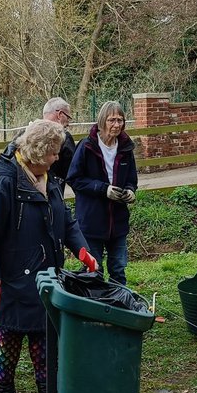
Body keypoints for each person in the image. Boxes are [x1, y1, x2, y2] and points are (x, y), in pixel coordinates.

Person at [0, 120, 91, 393]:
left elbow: (66, 218)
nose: (58, 158)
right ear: (37, 153)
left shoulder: (47, 178)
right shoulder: (4, 181)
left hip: (44, 272)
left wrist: (82, 249)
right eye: (53, 153)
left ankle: (47, 392)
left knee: (44, 333)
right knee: (10, 334)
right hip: (11, 273)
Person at [66, 100, 138, 285]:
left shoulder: (126, 147)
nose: (117, 125)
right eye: (112, 120)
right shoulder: (87, 146)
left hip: (118, 220)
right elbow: (74, 179)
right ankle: (93, 308)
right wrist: (103, 189)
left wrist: (130, 190)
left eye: (120, 120)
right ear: (102, 121)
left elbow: (131, 178)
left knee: (119, 268)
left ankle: (119, 307)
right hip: (92, 220)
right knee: (92, 270)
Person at [41, 97, 77, 181]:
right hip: (53, 191)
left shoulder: (26, 135)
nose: (68, 124)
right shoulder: (64, 138)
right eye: (68, 118)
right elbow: (73, 174)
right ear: (60, 115)